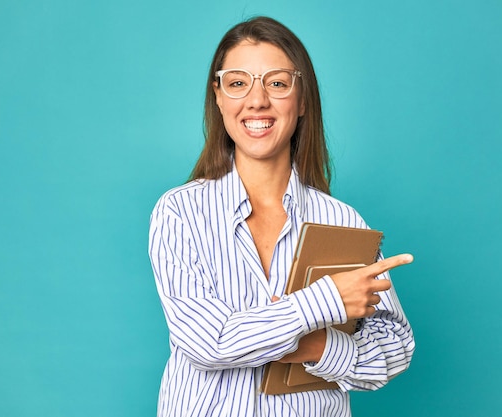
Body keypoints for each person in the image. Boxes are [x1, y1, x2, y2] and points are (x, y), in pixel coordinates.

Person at [148, 16, 415, 417]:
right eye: (238, 83)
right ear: (218, 97)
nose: (257, 100)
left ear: (302, 100)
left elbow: (394, 348)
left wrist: (320, 347)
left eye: (276, 83)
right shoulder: (180, 212)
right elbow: (207, 344)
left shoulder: (344, 221)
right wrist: (322, 303)